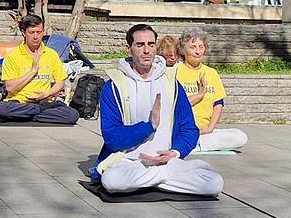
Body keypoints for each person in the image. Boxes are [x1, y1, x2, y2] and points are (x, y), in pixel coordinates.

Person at [93, 24, 223, 196]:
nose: (147, 50)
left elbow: (189, 129)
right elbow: (112, 138)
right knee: (112, 181)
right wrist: (149, 126)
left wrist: (175, 152)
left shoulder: (171, 84)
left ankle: (156, 177)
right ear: (129, 49)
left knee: (214, 183)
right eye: (140, 45)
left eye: (151, 44)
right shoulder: (114, 87)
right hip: (129, 162)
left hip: (167, 160)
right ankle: (172, 174)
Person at [0, 14, 79, 124]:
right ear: (24, 33)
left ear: (43, 32)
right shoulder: (13, 56)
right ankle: (36, 114)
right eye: (31, 32)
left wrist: (47, 94)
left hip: (44, 102)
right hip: (19, 103)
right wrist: (33, 71)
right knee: (0, 109)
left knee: (72, 115)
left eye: (38, 32)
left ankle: (28, 115)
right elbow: (10, 88)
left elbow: (60, 82)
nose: (35, 37)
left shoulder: (51, 54)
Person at [175, 27, 248, 152]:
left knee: (240, 137)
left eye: (201, 47)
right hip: (183, 129)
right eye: (193, 47)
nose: (198, 51)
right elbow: (175, 105)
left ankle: (194, 144)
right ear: (183, 49)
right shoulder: (175, 71)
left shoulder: (211, 73)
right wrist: (199, 95)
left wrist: (210, 128)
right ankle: (191, 141)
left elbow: (218, 104)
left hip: (206, 131)